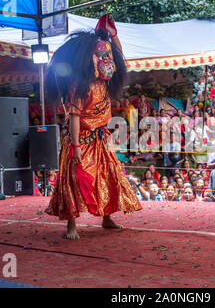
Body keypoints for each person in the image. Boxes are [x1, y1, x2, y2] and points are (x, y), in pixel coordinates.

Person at [44, 16, 142, 240]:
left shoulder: (105, 80)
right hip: (80, 141)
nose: (107, 60)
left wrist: (113, 35)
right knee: (76, 180)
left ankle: (107, 217)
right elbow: (75, 117)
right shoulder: (78, 85)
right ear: (91, 60)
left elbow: (119, 58)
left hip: (101, 139)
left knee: (109, 176)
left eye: (107, 56)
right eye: (102, 56)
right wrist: (76, 146)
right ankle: (71, 225)